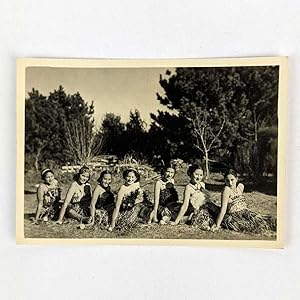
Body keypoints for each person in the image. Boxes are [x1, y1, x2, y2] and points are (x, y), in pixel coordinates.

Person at [211, 169, 276, 233]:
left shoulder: (240, 187)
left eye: (232, 180)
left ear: (236, 179)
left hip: (247, 213)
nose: (230, 183)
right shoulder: (226, 190)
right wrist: (217, 225)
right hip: (235, 216)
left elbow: (240, 189)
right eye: (227, 180)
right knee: (257, 227)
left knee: (268, 221)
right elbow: (223, 209)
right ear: (224, 181)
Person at [170, 164, 214, 230]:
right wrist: (176, 222)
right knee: (199, 216)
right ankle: (188, 218)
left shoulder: (202, 184)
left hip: (204, 208)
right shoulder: (188, 188)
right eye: (196, 174)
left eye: (201, 175)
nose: (198, 177)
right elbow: (185, 205)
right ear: (190, 174)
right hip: (193, 210)